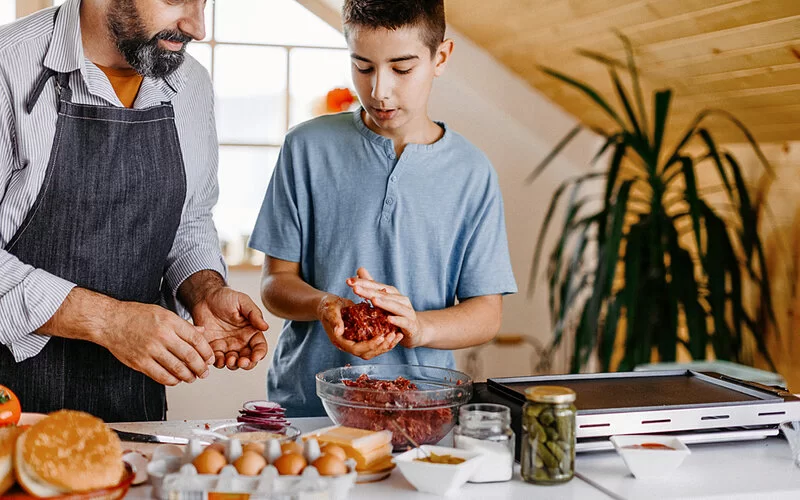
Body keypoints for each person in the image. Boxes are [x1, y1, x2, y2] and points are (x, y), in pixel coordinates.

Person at [0, 0, 269, 423]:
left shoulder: (191, 83)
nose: (197, 27)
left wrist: (204, 290)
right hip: (11, 403)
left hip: (133, 406)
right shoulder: (6, 68)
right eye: (177, 0)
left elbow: (190, 221)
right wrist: (109, 322)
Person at [250, 0, 517, 417]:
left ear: (440, 57)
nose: (380, 90)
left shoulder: (472, 171)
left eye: (402, 68)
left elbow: (486, 313)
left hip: (421, 410)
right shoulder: (305, 148)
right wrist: (325, 305)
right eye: (363, 66)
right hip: (306, 408)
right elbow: (275, 283)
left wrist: (419, 326)